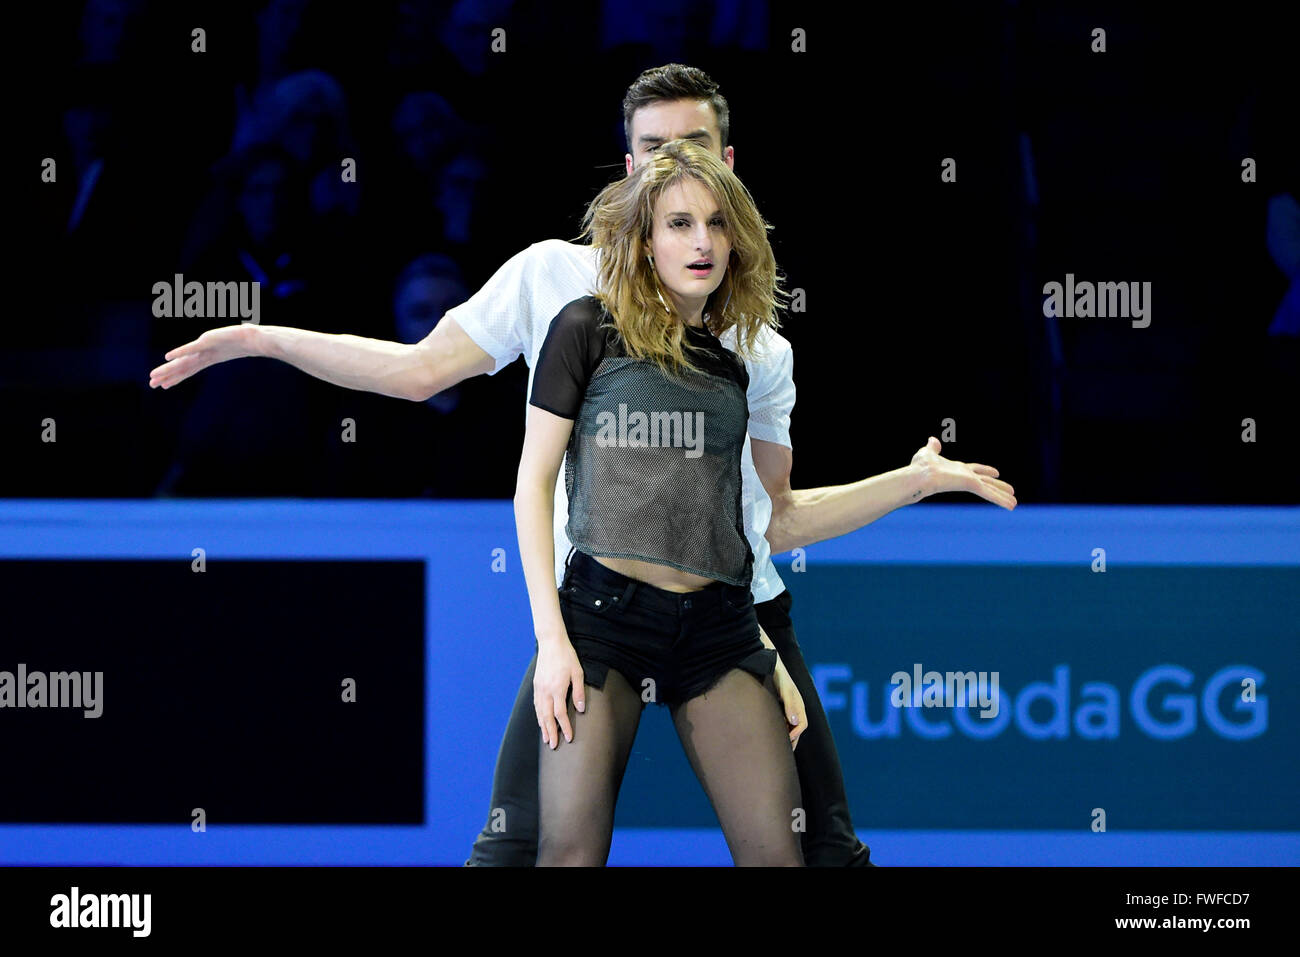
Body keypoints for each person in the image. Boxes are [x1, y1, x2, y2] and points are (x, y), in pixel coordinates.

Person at [149, 64, 1017, 866]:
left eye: (696, 151)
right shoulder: (558, 285)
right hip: (597, 604)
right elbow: (416, 374)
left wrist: (915, 481)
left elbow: (772, 518)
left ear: (729, 166)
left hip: (733, 609)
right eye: (653, 152)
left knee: (822, 847)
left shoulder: (759, 343)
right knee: (518, 849)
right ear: (626, 164)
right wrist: (262, 338)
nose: (673, 169)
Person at [522, 139, 803, 865]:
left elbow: (727, 525)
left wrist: (767, 651)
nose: (702, 241)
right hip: (602, 623)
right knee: (568, 855)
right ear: (644, 239)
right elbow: (532, 488)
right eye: (678, 223)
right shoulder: (586, 328)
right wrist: (553, 643)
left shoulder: (733, 368)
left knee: (780, 856)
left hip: (720, 629)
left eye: (715, 223)